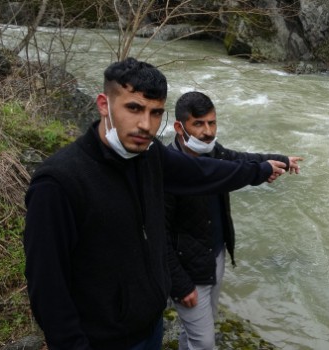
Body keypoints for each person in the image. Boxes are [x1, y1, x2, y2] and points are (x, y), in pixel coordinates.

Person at [23, 58, 287, 350]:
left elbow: (203, 172)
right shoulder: (59, 182)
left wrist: (260, 170)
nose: (145, 125)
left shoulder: (150, 156)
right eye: (133, 108)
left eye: (155, 113)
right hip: (102, 340)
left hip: (151, 327)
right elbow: (47, 287)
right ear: (103, 104)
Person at [165, 91, 302, 350]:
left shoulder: (213, 151)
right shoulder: (168, 168)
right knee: (204, 342)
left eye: (212, 123)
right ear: (179, 127)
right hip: (187, 268)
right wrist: (180, 284)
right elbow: (159, 236)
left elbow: (239, 160)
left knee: (198, 330)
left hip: (214, 256)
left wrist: (281, 161)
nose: (208, 131)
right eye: (198, 124)